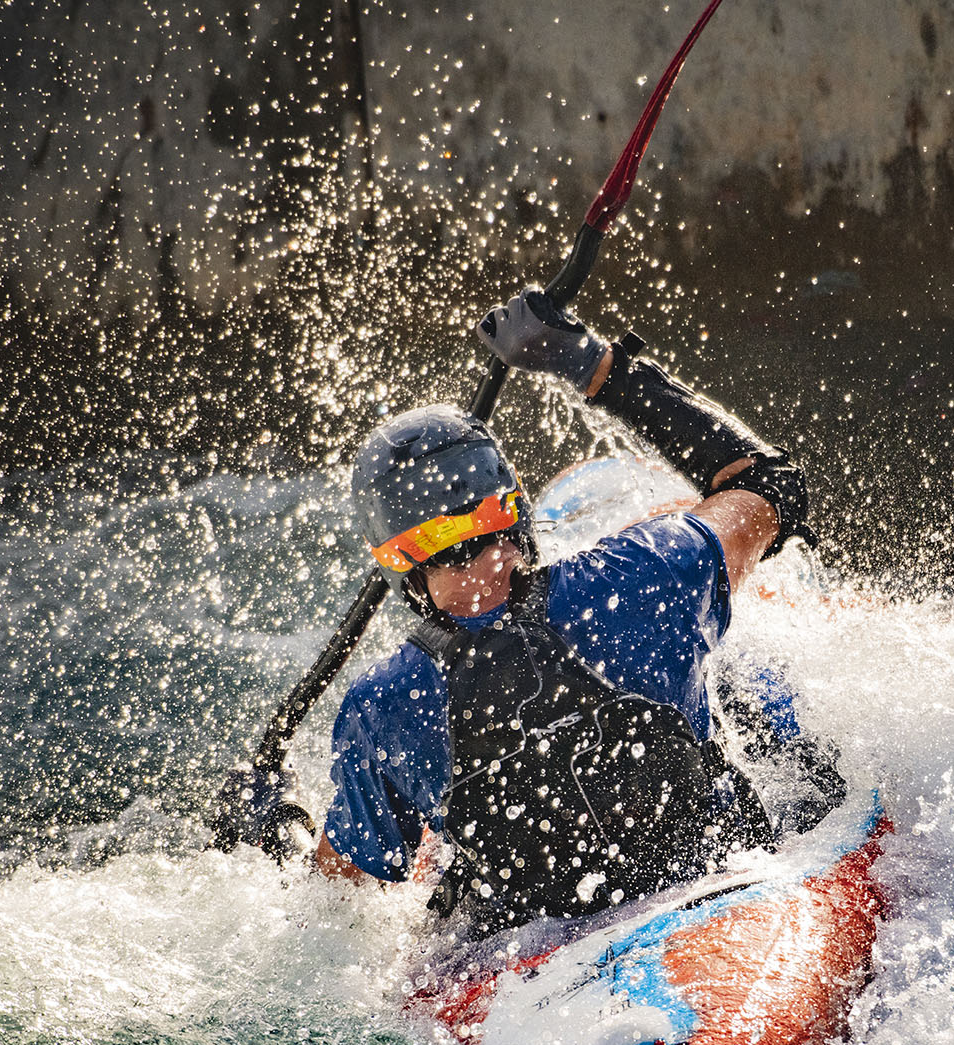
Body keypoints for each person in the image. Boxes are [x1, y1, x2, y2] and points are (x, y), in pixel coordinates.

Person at [303, 290, 820, 936]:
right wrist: (588, 361)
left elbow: (335, 901)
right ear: (512, 509)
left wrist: (274, 828)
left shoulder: (386, 703)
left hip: (524, 961)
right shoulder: (643, 575)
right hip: (716, 885)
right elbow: (771, 484)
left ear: (400, 565)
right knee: (747, 688)